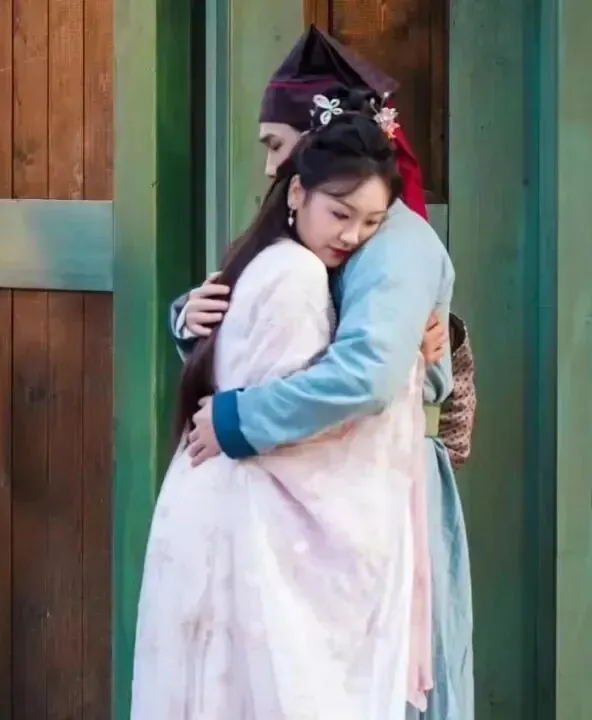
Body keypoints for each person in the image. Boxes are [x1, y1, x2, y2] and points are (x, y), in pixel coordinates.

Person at [172, 27, 473, 719]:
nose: (270, 165)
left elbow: (367, 374)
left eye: (277, 144)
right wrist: (191, 318)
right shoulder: (315, 239)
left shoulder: (394, 242)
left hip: (386, 487)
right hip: (323, 485)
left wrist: (237, 417)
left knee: (381, 680)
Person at [132, 91, 426, 719]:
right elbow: (317, 417)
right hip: (245, 522)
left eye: (370, 222)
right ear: (298, 193)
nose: (352, 235)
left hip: (206, 503)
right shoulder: (299, 275)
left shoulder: (266, 257)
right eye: (340, 213)